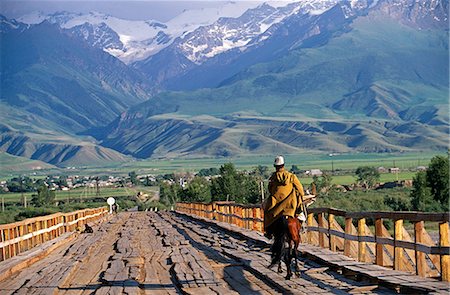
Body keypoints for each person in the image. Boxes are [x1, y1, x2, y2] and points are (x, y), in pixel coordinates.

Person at [263, 155, 305, 266]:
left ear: (275, 166)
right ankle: (302, 223)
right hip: (290, 206)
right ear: (283, 165)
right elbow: (300, 189)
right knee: (299, 209)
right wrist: (300, 195)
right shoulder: (291, 176)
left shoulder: (273, 177)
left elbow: (270, 190)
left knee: (267, 212)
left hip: (277, 207)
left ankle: (268, 230)